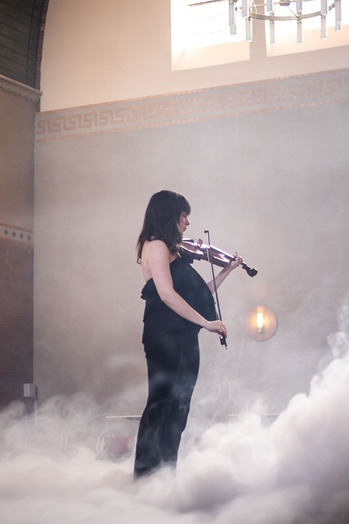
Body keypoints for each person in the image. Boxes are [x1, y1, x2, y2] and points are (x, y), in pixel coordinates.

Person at [134, 190, 242, 478]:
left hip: (182, 334)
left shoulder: (174, 251)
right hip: (164, 334)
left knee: (178, 408)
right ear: (170, 215)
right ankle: (147, 476)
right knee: (162, 404)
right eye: (184, 215)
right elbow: (167, 295)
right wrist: (207, 323)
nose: (187, 222)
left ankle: (166, 473)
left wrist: (227, 271)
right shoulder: (155, 246)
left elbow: (197, 295)